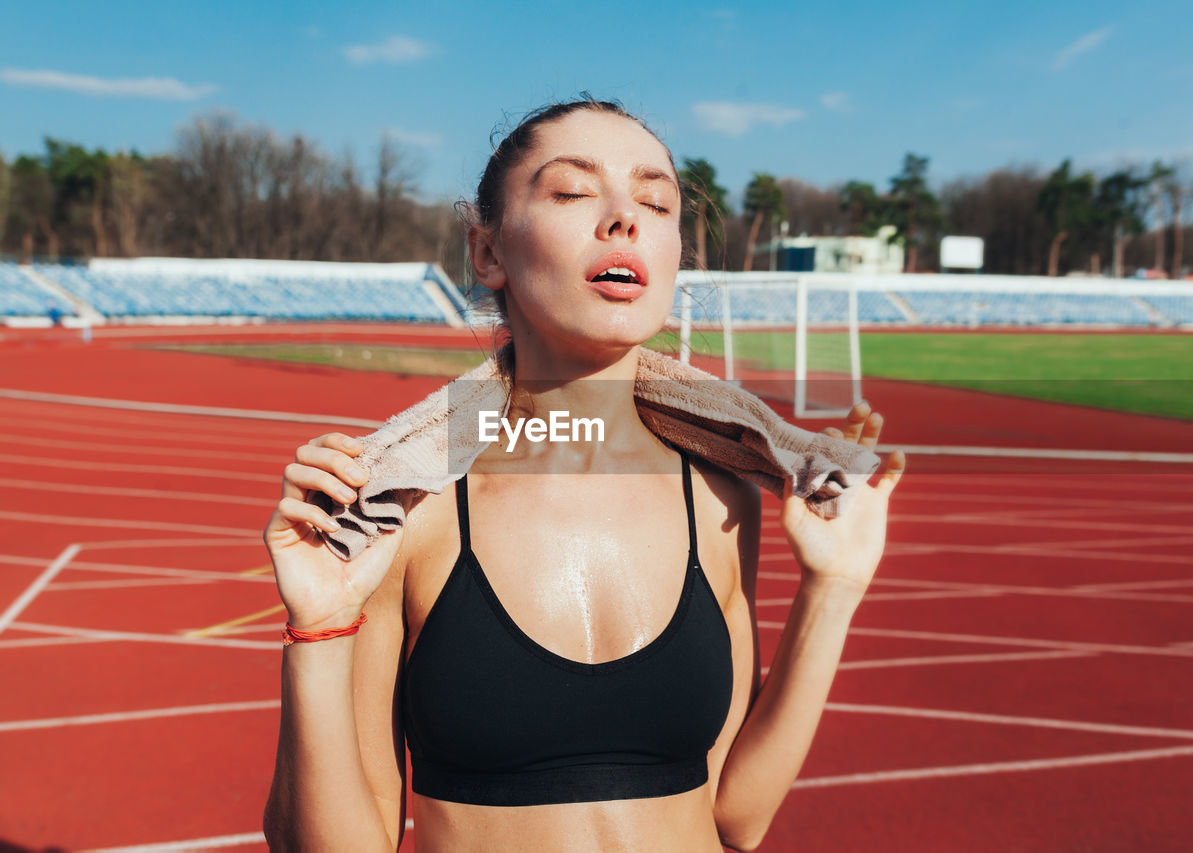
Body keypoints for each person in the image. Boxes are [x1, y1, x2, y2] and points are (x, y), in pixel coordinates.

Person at [262, 98, 905, 852]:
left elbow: (738, 812)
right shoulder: (406, 509)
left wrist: (833, 588)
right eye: (572, 191)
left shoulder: (723, 497)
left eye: (656, 200)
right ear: (487, 251)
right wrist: (318, 628)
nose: (625, 217)